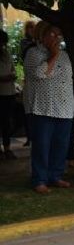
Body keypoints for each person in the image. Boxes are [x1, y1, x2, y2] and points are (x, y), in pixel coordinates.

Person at [24, 21, 74, 193]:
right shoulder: (33, 53)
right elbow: (39, 74)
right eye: (52, 34)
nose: (57, 38)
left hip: (64, 107)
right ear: (42, 35)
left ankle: (55, 176)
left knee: (60, 145)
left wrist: (57, 54)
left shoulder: (65, 55)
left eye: (58, 35)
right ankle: (39, 179)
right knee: (42, 145)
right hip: (41, 107)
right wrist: (52, 55)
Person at [0, 30, 18, 159]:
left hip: (9, 92)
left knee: (7, 122)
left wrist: (11, 76)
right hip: (1, 92)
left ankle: (7, 148)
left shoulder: (7, 54)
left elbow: (13, 70)